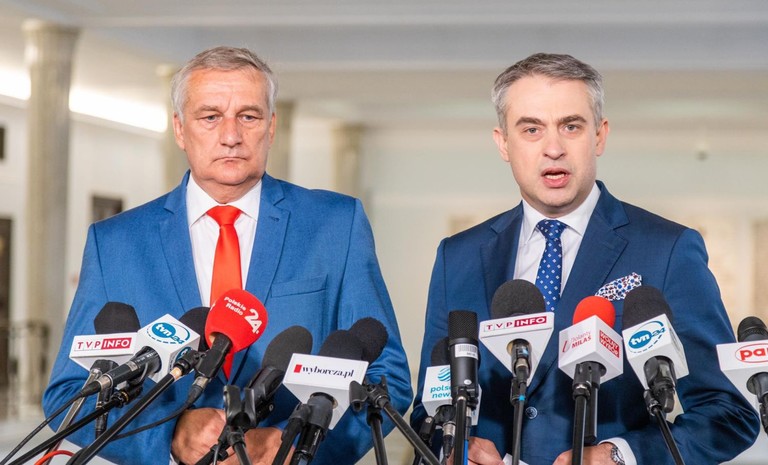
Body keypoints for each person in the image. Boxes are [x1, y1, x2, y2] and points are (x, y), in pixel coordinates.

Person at [43, 46, 412, 465]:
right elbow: (69, 394)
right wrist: (168, 437)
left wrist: (294, 447)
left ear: (271, 127)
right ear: (180, 129)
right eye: (210, 117)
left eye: (249, 117)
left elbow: (387, 377)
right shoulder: (115, 243)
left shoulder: (336, 224)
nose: (231, 136)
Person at [410, 53, 759, 465]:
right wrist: (454, 450)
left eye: (571, 126)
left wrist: (621, 455)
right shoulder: (457, 257)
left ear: (599, 136)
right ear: (503, 143)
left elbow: (728, 413)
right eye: (531, 129)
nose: (553, 148)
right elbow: (429, 412)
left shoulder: (668, 249)